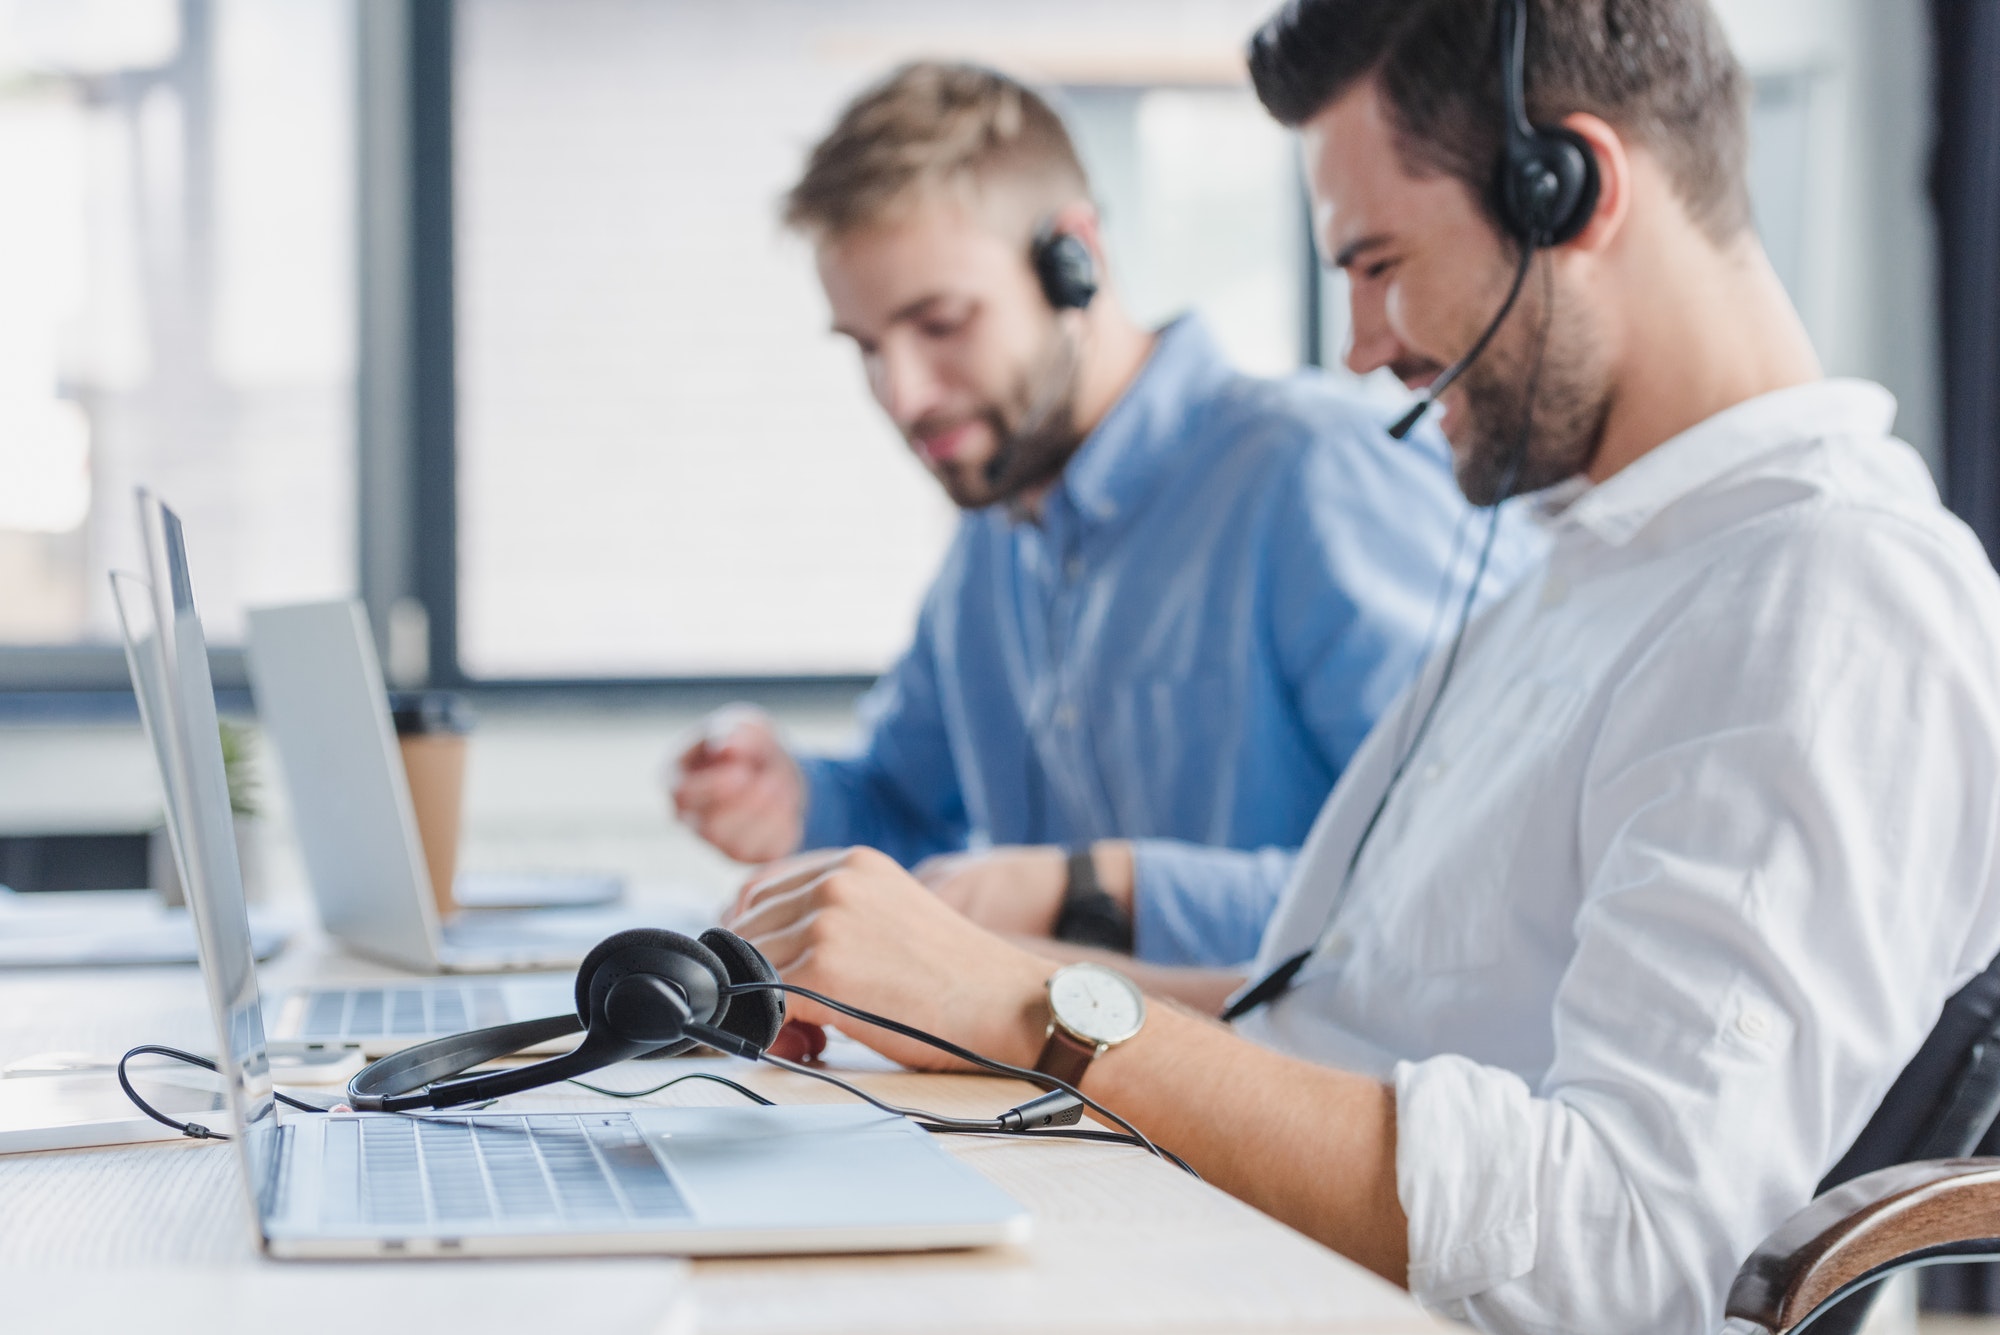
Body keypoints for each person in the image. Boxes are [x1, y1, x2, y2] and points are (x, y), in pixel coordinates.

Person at [721, 3, 2000, 1332]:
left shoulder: (1825, 594)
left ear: (1571, 191)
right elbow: (1328, 1013)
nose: (1361, 345)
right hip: (1210, 1250)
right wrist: (939, 986)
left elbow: (1631, 1243)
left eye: (1380, 260)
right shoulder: (1590, 567)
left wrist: (1026, 1000)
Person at [671, 62, 1534, 970]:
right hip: (1046, 1105)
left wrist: (1092, 890)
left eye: (941, 324)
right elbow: (906, 814)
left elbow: (1471, 877)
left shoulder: (1317, 477)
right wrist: (792, 794)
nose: (903, 394)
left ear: (1072, 259)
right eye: (867, 350)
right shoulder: (991, 547)